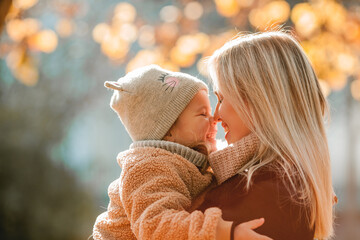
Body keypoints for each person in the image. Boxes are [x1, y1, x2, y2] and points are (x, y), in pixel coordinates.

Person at [92, 65, 271, 240]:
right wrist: (225, 232)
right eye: (203, 114)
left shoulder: (192, 159)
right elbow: (156, 225)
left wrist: (265, 140)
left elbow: (231, 158)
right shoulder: (147, 167)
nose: (215, 119)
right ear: (168, 130)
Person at [195, 31, 336, 240]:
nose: (215, 116)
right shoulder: (284, 186)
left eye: (222, 98)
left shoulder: (268, 193)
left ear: (258, 100)